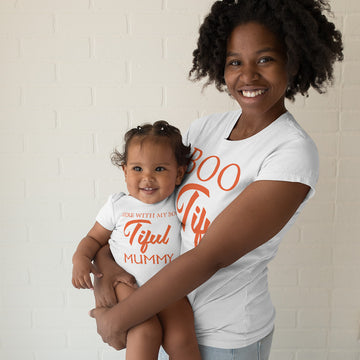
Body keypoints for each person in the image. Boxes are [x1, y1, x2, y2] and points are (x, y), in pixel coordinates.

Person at [89, 0, 344, 359]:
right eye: (235, 62)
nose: (248, 75)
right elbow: (142, 211)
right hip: (167, 316)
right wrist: (107, 267)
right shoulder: (205, 129)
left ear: (293, 59)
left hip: (227, 335)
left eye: (265, 59)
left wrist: (117, 319)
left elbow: (210, 256)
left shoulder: (291, 153)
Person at [72, 120, 201, 359]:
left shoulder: (180, 203)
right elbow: (93, 238)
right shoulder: (118, 205)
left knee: (181, 339)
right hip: (129, 285)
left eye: (160, 169)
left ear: (179, 173)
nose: (147, 178)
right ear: (124, 171)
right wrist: (80, 258)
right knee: (144, 332)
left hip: (169, 286)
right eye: (137, 169)